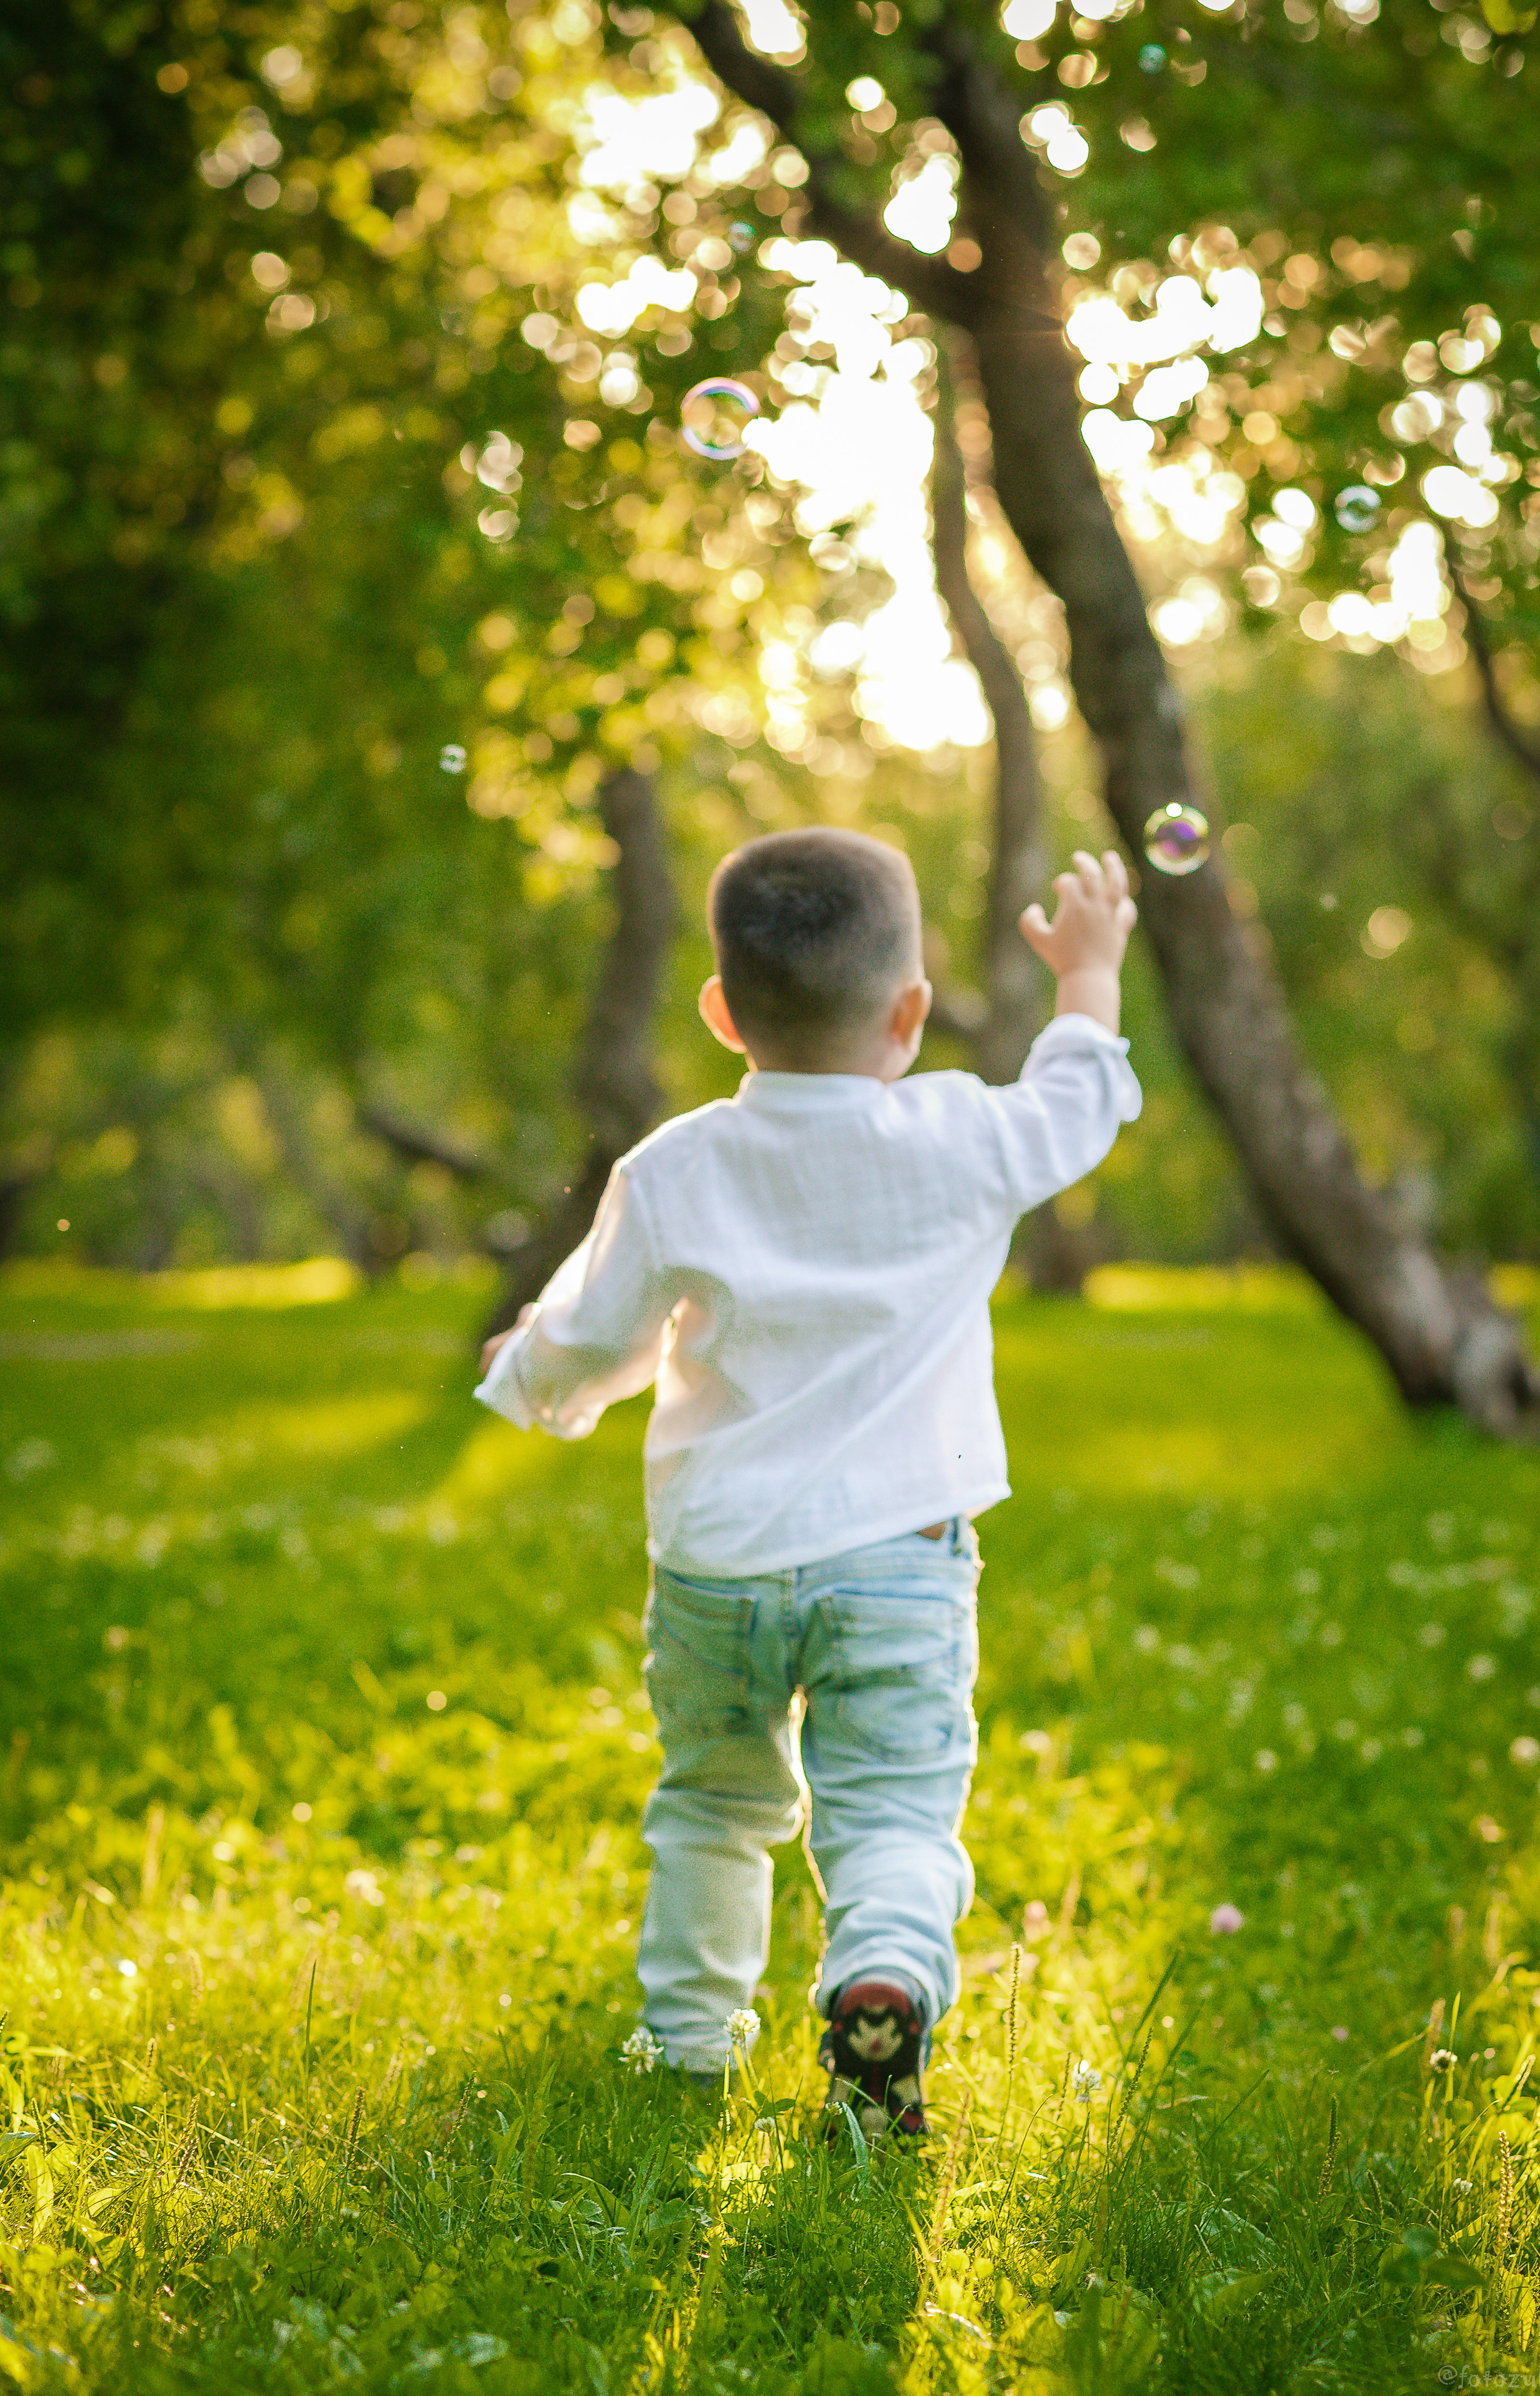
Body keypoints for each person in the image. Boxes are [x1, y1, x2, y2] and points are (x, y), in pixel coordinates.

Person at [476, 826, 1140, 2139]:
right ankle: (880, 1969)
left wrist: (525, 1377)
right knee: (891, 1804)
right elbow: (1077, 1100)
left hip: (720, 1567)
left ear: (722, 1011)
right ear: (909, 1011)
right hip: (898, 1556)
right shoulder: (958, 1134)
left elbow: (592, 1338)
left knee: (715, 1803)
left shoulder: (672, 1166)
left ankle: (684, 2046)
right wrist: (1087, 971)